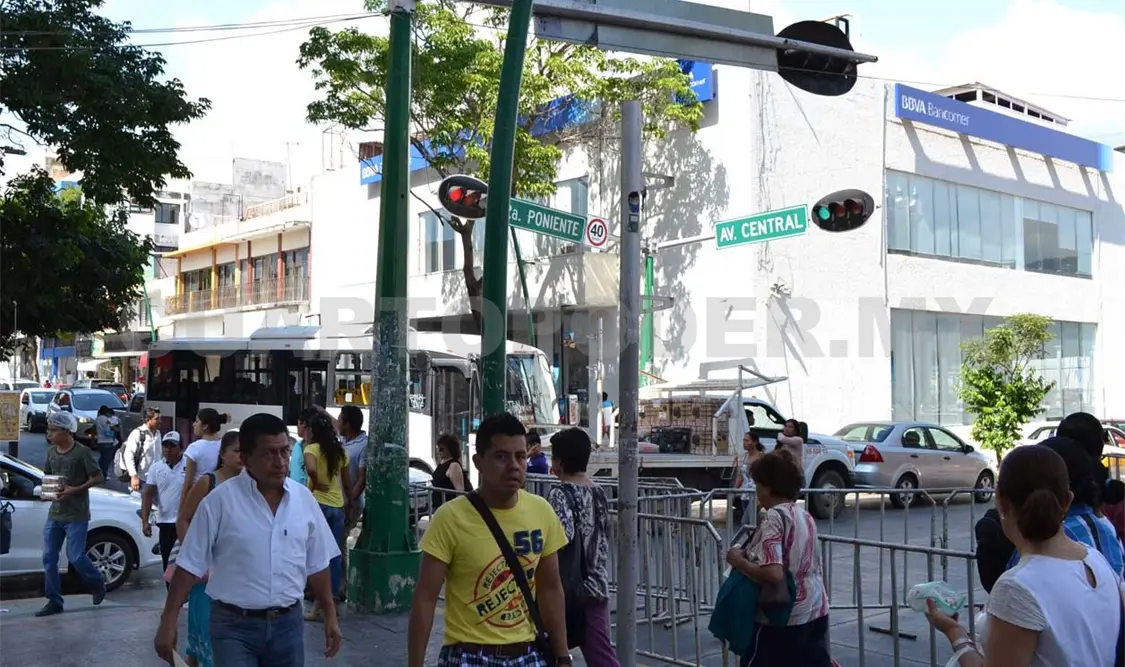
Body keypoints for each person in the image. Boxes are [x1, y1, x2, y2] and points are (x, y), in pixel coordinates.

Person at [155, 414, 342, 666]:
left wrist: (330, 615)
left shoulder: (303, 500)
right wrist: (168, 621)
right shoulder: (219, 501)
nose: (280, 462)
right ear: (245, 459)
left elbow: (317, 563)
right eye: (268, 454)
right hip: (233, 627)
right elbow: (189, 564)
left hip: (288, 626)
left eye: (284, 452)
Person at [927, 444, 1123, 666]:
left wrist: (956, 635)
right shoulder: (1097, 561)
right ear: (1067, 500)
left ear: (1001, 501)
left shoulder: (1017, 587)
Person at [408, 412, 572, 667]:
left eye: (520, 456)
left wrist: (563, 657)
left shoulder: (542, 512)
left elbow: (551, 588)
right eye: (501, 457)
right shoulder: (449, 519)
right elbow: (425, 599)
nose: (514, 466)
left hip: (527, 655)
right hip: (468, 656)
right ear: (478, 462)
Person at [725, 451, 830, 666]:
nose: (756, 492)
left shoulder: (774, 517)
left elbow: (773, 573)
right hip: (816, 608)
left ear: (768, 487)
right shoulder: (804, 515)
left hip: (783, 618)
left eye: (757, 485)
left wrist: (738, 561)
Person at [547, 428, 619, 667]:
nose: (551, 462)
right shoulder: (597, 490)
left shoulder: (560, 493)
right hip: (597, 584)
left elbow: (560, 539)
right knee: (599, 654)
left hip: (572, 590)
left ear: (561, 460)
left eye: (553, 457)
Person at [174, 431, 242, 667]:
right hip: (205, 573)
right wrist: (193, 553)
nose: (241, 456)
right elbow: (183, 519)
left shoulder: (251, 484)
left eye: (245, 451)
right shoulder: (208, 482)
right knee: (202, 629)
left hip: (233, 570)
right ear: (223, 454)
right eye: (236, 451)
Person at [36, 411, 107, 617]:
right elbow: (48, 477)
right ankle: (54, 600)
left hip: (76, 514)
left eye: (53, 429)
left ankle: (97, 582)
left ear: (66, 431)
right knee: (49, 557)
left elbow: (98, 476)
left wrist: (74, 490)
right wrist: (47, 493)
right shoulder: (51, 452)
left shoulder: (81, 452)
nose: (49, 433)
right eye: (48, 429)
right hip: (55, 514)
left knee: (75, 557)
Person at [302, 411, 350, 622]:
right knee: (334, 555)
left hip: (317, 504)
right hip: (337, 505)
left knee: (316, 555)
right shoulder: (340, 452)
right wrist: (349, 501)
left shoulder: (311, 449)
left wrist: (316, 482)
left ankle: (318, 607)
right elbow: (346, 482)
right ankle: (332, 602)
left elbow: (311, 469)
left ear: (313, 430)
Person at [142, 432, 187, 582]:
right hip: (165, 523)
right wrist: (145, 521)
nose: (168, 449)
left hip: (186, 522)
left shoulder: (189, 465)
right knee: (168, 565)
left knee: (186, 564)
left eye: (172, 446)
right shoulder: (156, 468)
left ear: (180, 447)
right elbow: (148, 494)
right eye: (165, 446)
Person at [337, 404, 367, 602]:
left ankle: (342, 588)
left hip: (350, 504)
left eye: (340, 420)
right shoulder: (341, 442)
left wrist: (351, 501)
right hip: (337, 501)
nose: (337, 422)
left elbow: (361, 479)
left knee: (339, 543)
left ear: (347, 424)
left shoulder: (363, 445)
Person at [180, 408, 229, 506]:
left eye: (197, 421)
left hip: (199, 499)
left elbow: (188, 484)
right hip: (220, 498)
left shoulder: (194, 448)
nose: (193, 424)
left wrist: (182, 507)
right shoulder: (224, 445)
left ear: (205, 426)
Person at [122, 407, 162, 492]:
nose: (159, 421)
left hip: (156, 480)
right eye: (156, 419)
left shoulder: (158, 433)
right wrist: (134, 476)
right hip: (141, 480)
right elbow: (128, 456)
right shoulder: (137, 433)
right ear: (148, 420)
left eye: (160, 418)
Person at [731, 432, 765, 526]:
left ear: (754, 442)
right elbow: (740, 476)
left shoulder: (761, 457)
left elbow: (765, 477)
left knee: (746, 521)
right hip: (745, 494)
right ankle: (756, 539)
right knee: (751, 523)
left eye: (747, 440)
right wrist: (733, 492)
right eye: (743, 440)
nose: (744, 443)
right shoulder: (744, 456)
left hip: (756, 494)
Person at [431, 432, 471, 512]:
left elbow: (460, 491)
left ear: (450, 449)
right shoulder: (443, 462)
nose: (439, 451)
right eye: (438, 448)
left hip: (449, 508)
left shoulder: (454, 465)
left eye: (442, 449)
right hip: (441, 507)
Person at [290, 407, 319, 486]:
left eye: (298, 423)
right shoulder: (298, 445)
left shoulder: (316, 448)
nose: (297, 427)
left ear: (304, 424)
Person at [93, 405, 119, 479]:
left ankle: (98, 473)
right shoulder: (107, 419)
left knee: (102, 458)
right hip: (107, 440)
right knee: (107, 459)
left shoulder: (97, 419)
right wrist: (116, 429)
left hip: (100, 440)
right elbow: (112, 428)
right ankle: (103, 474)